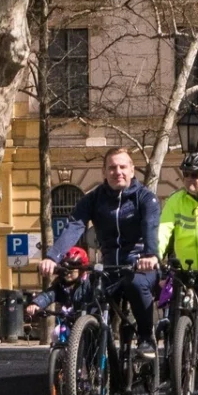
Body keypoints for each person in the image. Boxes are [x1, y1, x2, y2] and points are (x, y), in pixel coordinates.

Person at [42, 148, 162, 352]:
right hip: (109, 268)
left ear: (132, 170)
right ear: (104, 172)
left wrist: (150, 255)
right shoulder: (93, 199)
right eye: (112, 168)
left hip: (139, 265)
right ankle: (90, 356)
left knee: (136, 285)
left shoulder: (145, 197)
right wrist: (53, 257)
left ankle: (145, 337)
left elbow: (150, 226)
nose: (118, 172)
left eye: (122, 167)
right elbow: (74, 226)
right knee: (90, 300)